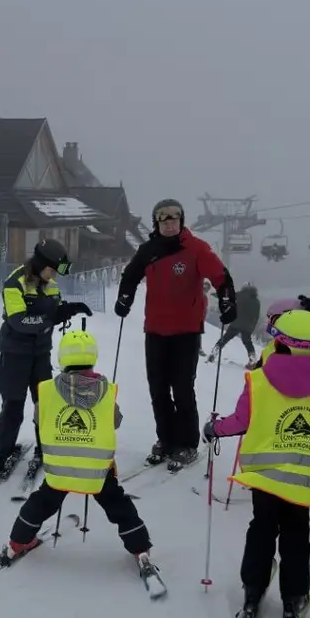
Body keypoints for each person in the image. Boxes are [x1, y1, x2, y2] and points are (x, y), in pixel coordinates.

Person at [203, 309, 310, 618]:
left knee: (261, 531)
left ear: (281, 342)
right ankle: (293, 599)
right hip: (304, 481)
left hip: (264, 478)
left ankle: (252, 593)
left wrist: (214, 428)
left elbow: (240, 422)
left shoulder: (258, 381)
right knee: (296, 537)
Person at [4, 329, 158, 574]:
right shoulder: (106, 392)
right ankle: (140, 548)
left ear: (62, 358)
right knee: (119, 507)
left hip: (59, 470)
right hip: (97, 472)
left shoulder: (46, 391)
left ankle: (17, 542)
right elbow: (115, 421)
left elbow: (38, 418)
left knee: (41, 503)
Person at [114, 199, 236, 469]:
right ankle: (166, 439)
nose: (169, 224)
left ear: (181, 221)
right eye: (163, 220)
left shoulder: (196, 248)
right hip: (155, 330)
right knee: (158, 389)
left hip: (186, 332)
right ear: (156, 223)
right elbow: (131, 275)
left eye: (174, 219)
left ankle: (187, 443)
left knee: (181, 388)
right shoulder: (149, 250)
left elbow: (220, 275)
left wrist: (227, 300)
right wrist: (125, 298)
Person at [0, 238, 91, 472]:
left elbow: (54, 309)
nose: (54, 276)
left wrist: (69, 309)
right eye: (52, 270)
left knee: (44, 404)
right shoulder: (14, 283)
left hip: (41, 353)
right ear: (40, 264)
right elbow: (18, 321)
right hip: (14, 353)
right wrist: (49, 319)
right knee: (13, 405)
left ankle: (44, 448)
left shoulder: (51, 284)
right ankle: (0, 454)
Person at [210, 282, 260, 366]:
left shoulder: (240, 295)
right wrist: (252, 327)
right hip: (248, 326)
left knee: (225, 338)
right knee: (247, 342)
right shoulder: (256, 302)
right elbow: (256, 316)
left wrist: (215, 294)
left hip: (236, 322)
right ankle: (252, 360)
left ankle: (214, 352)